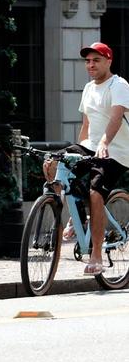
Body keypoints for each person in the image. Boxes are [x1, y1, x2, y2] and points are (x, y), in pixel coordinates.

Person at [52, 42, 129, 275]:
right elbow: (86, 125)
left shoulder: (119, 85)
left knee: (96, 193)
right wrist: (76, 152)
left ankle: (96, 255)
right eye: (87, 61)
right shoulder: (88, 88)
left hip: (117, 151)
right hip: (92, 146)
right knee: (53, 163)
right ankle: (71, 214)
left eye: (96, 60)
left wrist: (105, 143)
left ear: (108, 61)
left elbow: (115, 118)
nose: (91, 64)